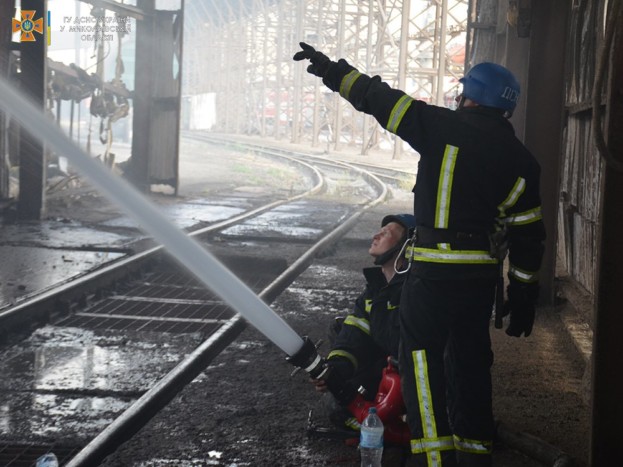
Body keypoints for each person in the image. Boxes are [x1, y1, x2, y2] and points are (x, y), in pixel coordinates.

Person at [294, 43, 546, 467]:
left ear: (469, 97)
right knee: (470, 364)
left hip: (431, 273)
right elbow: (528, 235)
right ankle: (475, 456)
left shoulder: (438, 125)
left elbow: (378, 98)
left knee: (421, 364)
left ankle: (435, 458)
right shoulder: (523, 161)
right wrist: (523, 294)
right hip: (478, 278)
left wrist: (331, 70)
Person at [311, 213, 415, 430]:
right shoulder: (375, 290)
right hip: (384, 369)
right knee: (339, 328)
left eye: (386, 233)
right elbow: (353, 335)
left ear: (408, 248)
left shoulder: (415, 290)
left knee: (338, 408)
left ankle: (390, 424)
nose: (376, 235)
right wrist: (334, 371)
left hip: (410, 376)